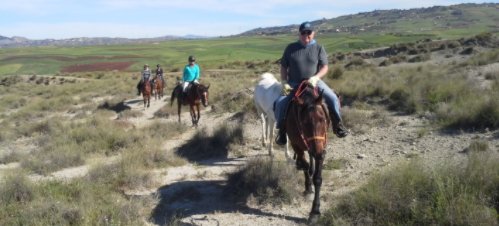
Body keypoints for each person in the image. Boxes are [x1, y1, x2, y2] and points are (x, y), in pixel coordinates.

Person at [274, 22, 348, 145]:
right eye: (303, 32)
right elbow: (283, 67)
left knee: (332, 97)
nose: (306, 35)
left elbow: (324, 67)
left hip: (313, 82)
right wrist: (284, 82)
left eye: (309, 32)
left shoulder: (319, 48)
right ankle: (282, 131)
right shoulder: (290, 48)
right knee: (280, 102)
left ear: (313, 34)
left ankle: (338, 124)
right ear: (299, 34)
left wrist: (316, 78)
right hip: (294, 82)